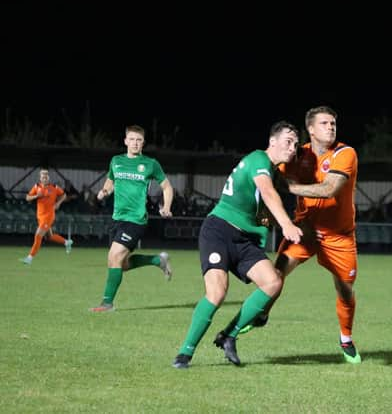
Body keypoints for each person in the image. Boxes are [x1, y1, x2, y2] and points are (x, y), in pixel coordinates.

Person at [224, 106, 363, 364]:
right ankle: (262, 314)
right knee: (275, 275)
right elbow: (269, 178)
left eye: (333, 123)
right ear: (310, 129)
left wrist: (289, 187)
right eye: (324, 123)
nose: (331, 127)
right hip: (305, 230)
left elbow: (329, 189)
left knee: (345, 290)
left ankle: (346, 338)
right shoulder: (297, 154)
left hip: (339, 237)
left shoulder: (346, 153)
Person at [172, 121, 303, 369]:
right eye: (288, 141)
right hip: (219, 230)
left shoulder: (272, 171)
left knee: (273, 281)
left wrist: (268, 221)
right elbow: (266, 192)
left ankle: (229, 335)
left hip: (243, 240)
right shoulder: (258, 159)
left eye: (295, 144)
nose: (293, 147)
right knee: (217, 292)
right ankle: (184, 353)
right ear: (272, 141)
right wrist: (286, 224)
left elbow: (259, 204)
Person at [90, 125, 174, 312]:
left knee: (114, 256)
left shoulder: (151, 164)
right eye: (132, 139)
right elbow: (111, 181)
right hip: (117, 219)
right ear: (125, 141)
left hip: (136, 219)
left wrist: (166, 207)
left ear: (143, 143)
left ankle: (107, 303)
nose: (135, 143)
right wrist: (104, 191)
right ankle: (157, 261)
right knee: (121, 264)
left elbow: (167, 187)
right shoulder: (116, 161)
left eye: (139, 140)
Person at [20, 168, 73, 265]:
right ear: (40, 178)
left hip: (48, 216)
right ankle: (66, 242)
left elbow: (64, 195)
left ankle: (30, 258)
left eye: (46, 176)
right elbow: (27, 198)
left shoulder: (54, 187)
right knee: (50, 236)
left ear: (48, 177)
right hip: (40, 216)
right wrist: (36, 196)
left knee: (38, 235)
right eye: (43, 176)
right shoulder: (36, 187)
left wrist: (58, 203)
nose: (45, 177)